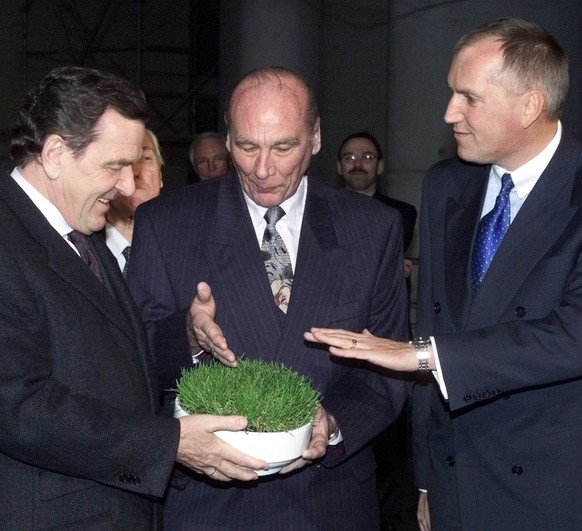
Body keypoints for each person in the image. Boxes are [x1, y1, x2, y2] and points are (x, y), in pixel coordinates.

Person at [305, 17, 582, 531]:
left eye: (468, 97)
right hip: (456, 474)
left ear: (530, 105)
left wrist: (422, 355)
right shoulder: (447, 184)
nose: (450, 112)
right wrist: (428, 479)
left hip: (553, 487)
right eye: (451, 92)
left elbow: (573, 334)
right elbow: (436, 318)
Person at [128, 65, 410, 530]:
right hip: (210, 505)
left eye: (283, 147)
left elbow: (388, 371)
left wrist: (334, 423)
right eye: (246, 146)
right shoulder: (166, 224)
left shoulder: (372, 229)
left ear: (315, 139)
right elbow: (132, 367)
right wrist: (188, 335)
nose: (263, 169)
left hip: (331, 501)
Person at [0, 65, 269, 530]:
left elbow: (116, 351)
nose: (127, 187)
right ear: (56, 153)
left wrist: (185, 334)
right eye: (114, 166)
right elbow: (18, 406)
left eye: (134, 165)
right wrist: (169, 443)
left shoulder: (79, 231)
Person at [338, 130, 418, 530]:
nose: (358, 163)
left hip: (386, 337)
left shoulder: (401, 215)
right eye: (350, 157)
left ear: (380, 166)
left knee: (386, 450)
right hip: (336, 339)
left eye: (367, 156)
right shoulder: (321, 214)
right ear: (338, 166)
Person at [105, 128, 164, 275]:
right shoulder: (81, 251)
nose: (135, 172)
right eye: (123, 161)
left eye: (145, 158)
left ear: (161, 175)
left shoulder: (185, 249)